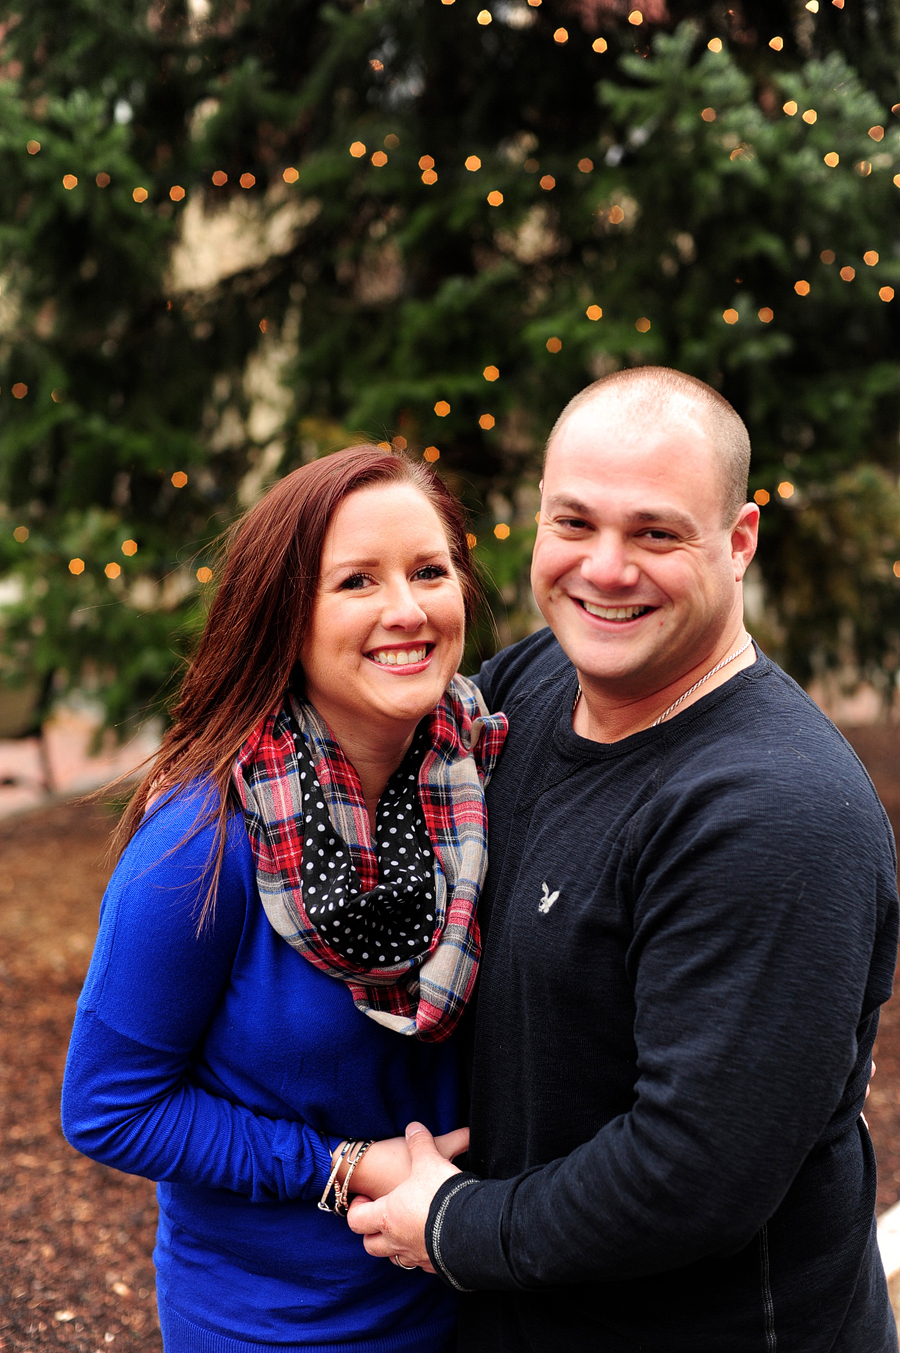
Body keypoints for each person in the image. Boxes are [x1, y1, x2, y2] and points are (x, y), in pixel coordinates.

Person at [348, 368, 900, 1352]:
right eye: (574, 524)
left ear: (738, 543)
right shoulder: (536, 678)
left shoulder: (773, 813)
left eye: (656, 532)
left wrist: (450, 1225)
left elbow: (692, 1174)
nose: (605, 569)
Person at [61, 445, 507, 1353]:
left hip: (479, 1294)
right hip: (283, 1324)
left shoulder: (490, 774)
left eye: (430, 570)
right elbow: (109, 1105)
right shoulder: (206, 837)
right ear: (286, 618)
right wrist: (343, 1167)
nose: (408, 609)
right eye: (356, 582)